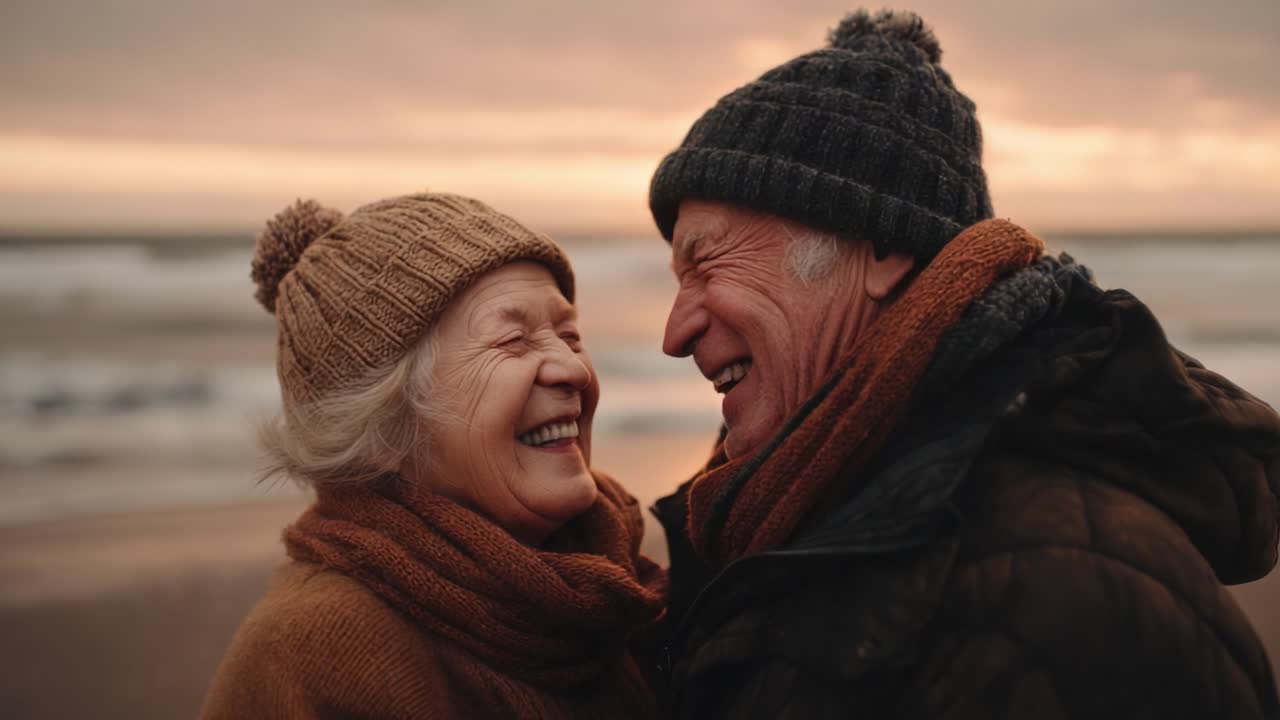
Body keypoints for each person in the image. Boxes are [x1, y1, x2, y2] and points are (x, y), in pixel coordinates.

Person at [646, 9, 1280, 719]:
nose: (674, 333)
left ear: (880, 245)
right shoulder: (808, 504)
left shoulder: (1052, 596)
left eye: (707, 263)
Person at [200, 193, 666, 719]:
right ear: (385, 422)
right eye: (513, 341)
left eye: (570, 335)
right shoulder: (318, 651)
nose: (574, 370)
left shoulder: (621, 591)